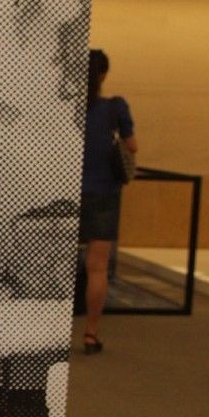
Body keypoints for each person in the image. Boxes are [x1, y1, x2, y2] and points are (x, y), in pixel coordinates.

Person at [79, 48, 137, 353]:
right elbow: (132, 145)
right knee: (97, 268)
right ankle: (91, 334)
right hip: (103, 192)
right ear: (103, 75)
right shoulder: (115, 107)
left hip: (67, 194)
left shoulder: (67, 107)